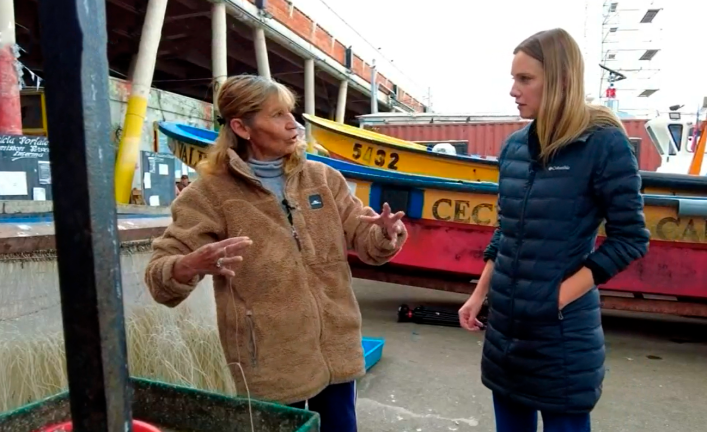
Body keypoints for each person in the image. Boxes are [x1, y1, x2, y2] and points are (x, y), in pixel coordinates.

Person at [144, 75, 408, 432]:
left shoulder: (323, 179)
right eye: (278, 115)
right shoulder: (209, 194)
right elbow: (161, 274)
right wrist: (190, 264)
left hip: (335, 348)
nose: (293, 124)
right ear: (242, 127)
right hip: (268, 359)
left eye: (292, 113)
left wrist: (383, 233)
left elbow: (364, 234)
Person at [458, 28, 650, 432]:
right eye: (513, 78)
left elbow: (630, 238)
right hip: (506, 334)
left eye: (525, 79)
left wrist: (555, 299)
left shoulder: (603, 144)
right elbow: (507, 230)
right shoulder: (513, 148)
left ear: (560, 80)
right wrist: (479, 295)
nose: (513, 90)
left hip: (561, 338)